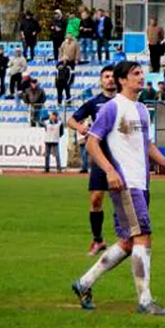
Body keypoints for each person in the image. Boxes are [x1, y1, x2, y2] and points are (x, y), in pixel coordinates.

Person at [71, 60, 165, 315]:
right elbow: (92, 143)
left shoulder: (142, 109)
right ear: (122, 80)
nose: (141, 77)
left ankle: (84, 283)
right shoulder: (112, 108)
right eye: (135, 74)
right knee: (143, 236)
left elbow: (148, 145)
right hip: (125, 183)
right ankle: (145, 301)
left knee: (128, 242)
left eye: (142, 73)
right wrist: (110, 171)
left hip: (141, 183)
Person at [67, 65, 117, 255]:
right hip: (100, 157)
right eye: (106, 76)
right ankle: (98, 240)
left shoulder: (123, 102)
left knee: (121, 200)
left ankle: (126, 239)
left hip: (120, 159)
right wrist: (79, 128)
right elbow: (71, 120)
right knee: (96, 199)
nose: (110, 79)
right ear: (101, 80)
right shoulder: (93, 103)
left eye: (112, 76)